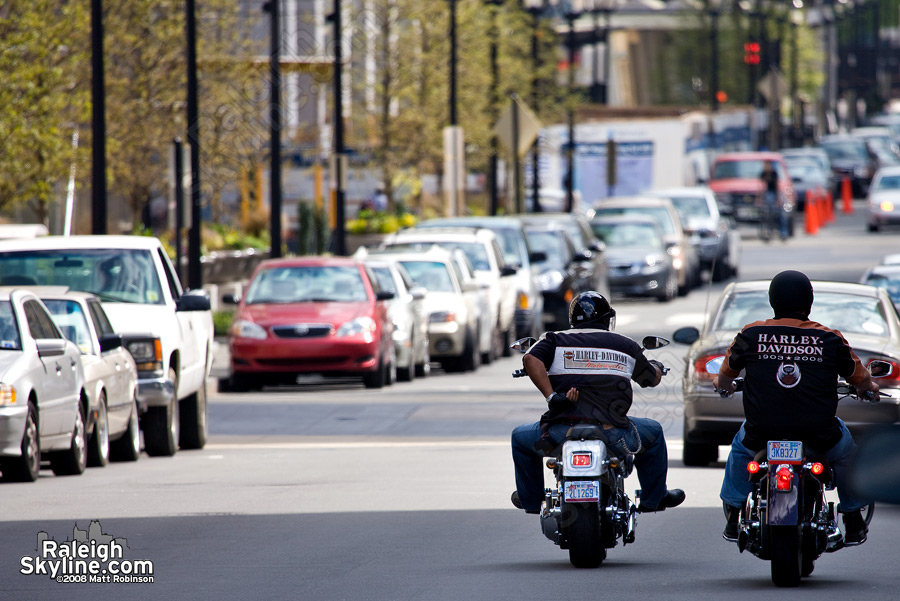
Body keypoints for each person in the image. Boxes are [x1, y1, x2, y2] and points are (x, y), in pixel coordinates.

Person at [714, 270, 879, 545]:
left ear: (772, 300)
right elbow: (859, 377)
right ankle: (852, 517)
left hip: (761, 431)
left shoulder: (751, 333)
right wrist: (869, 389)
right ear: (809, 301)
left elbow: (725, 375)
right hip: (819, 433)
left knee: (740, 449)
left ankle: (733, 516)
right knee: (848, 454)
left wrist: (725, 386)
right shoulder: (830, 339)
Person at [510, 291, 685, 515]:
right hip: (614, 435)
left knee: (520, 438)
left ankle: (531, 500)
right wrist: (657, 367)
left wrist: (552, 396)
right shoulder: (626, 346)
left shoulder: (554, 339)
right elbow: (650, 379)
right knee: (654, 433)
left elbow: (530, 358)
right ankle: (654, 498)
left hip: (557, 435)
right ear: (607, 319)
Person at [759, 160, 788, 240]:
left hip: (774, 193)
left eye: (767, 165)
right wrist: (760, 198)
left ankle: (783, 232)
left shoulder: (774, 173)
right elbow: (761, 186)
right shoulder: (763, 174)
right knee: (767, 214)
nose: (765, 167)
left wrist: (778, 199)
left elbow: (777, 186)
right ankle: (768, 232)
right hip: (768, 194)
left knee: (780, 213)